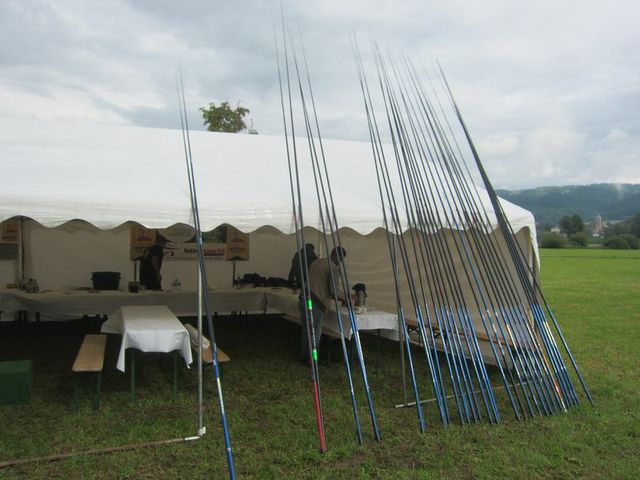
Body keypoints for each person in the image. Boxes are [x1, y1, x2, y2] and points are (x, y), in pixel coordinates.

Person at [299, 246, 348, 363]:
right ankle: (313, 359)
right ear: (339, 257)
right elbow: (333, 290)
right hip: (316, 302)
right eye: (342, 259)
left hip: (305, 297)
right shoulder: (333, 268)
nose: (341, 262)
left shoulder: (317, 262)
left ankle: (304, 356)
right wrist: (347, 297)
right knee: (315, 333)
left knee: (306, 330)